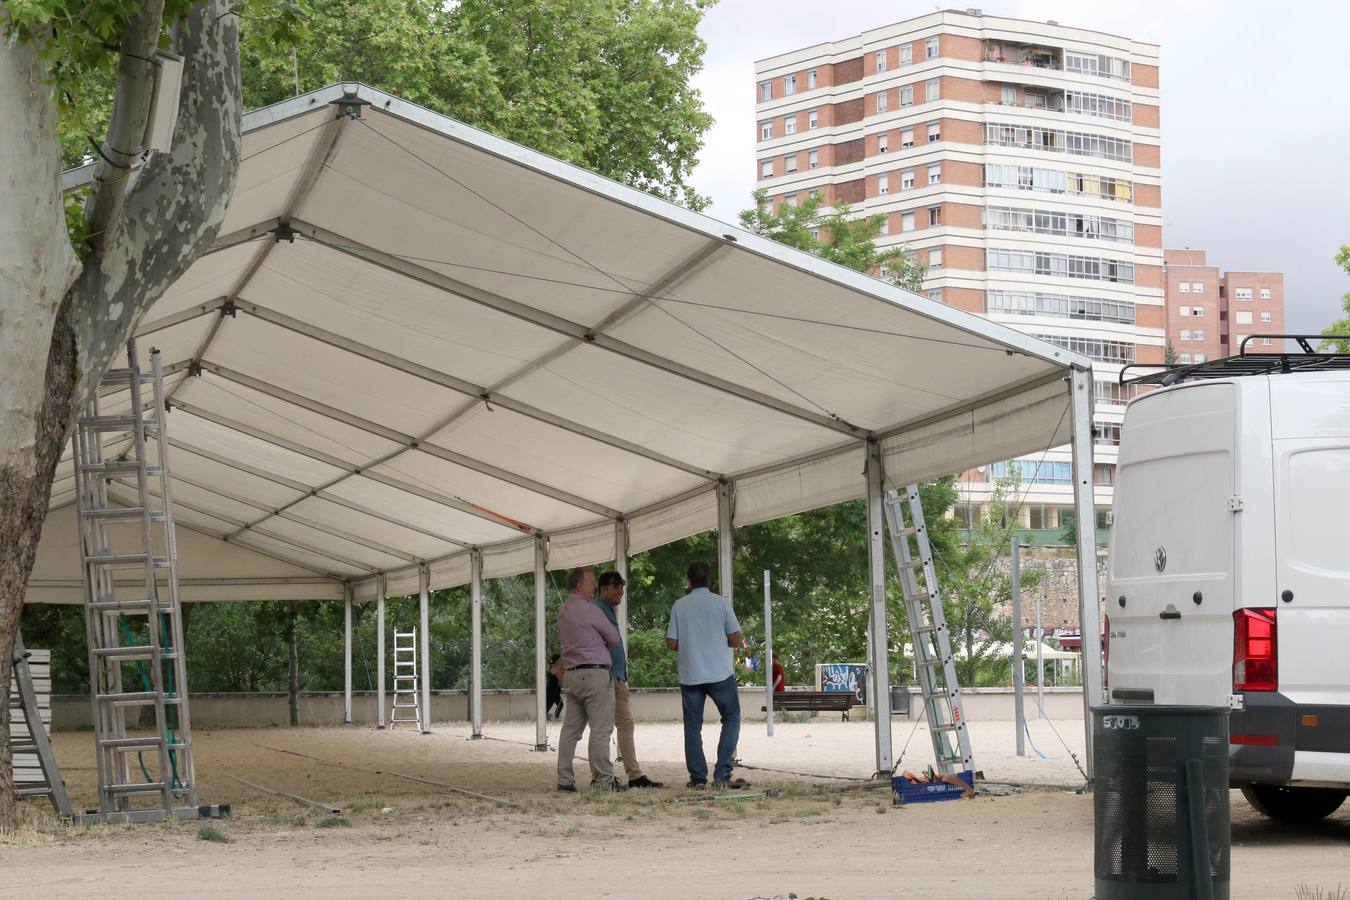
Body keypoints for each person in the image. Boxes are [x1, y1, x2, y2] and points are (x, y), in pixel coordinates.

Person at [667, 560, 749, 790]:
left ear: (689, 581)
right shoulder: (721, 604)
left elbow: (671, 642)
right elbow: (736, 639)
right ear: (709, 580)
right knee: (731, 718)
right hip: (720, 674)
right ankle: (722, 773)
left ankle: (698, 778)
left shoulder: (679, 606)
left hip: (691, 675)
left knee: (692, 726)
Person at [555, 567, 625, 792]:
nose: (595, 586)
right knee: (601, 730)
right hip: (595, 674)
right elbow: (614, 637)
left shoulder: (563, 611)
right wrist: (600, 642)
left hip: (572, 675)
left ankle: (565, 780)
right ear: (580, 586)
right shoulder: (591, 610)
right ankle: (603, 779)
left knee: (570, 731)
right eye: (592, 583)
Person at [595, 571, 664, 789]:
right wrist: (611, 673)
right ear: (603, 588)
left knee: (621, 725)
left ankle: (632, 775)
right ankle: (604, 776)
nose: (620, 591)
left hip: (615, 677)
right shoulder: (599, 611)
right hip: (609, 678)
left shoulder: (607, 611)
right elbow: (600, 645)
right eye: (616, 587)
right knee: (604, 728)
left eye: (622, 586)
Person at [899, 766, 975, 799]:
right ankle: (969, 789)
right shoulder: (912, 788)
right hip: (924, 787)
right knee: (944, 777)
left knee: (943, 777)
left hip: (924, 786)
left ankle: (969, 789)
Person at [546, 654, 564, 721]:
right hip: (551, 691)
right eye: (560, 660)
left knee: (560, 704)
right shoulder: (555, 668)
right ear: (556, 661)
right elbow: (561, 679)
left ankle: (556, 718)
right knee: (547, 707)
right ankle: (544, 719)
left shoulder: (555, 667)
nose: (561, 661)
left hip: (556, 691)